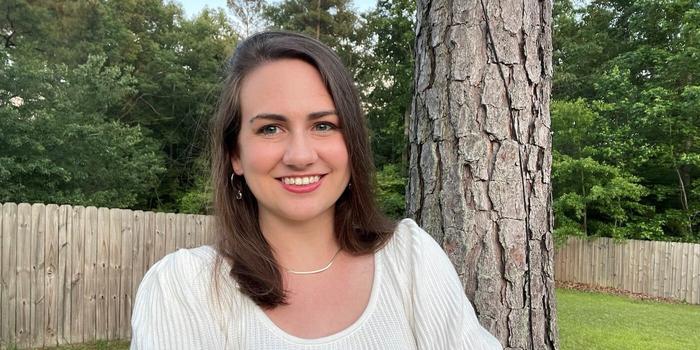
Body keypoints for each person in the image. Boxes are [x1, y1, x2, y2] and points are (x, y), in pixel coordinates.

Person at [130, 31, 502, 349]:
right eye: (270, 129)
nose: (300, 156)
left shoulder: (412, 262)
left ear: (351, 142)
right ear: (235, 155)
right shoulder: (185, 288)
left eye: (323, 125)